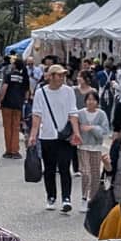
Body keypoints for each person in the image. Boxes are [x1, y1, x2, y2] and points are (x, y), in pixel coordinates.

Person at [30, 61, 82, 214]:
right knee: (50, 168)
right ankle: (51, 196)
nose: (62, 78)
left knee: (65, 167)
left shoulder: (68, 91)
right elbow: (37, 115)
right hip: (47, 135)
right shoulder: (41, 92)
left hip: (64, 135)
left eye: (63, 75)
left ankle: (66, 198)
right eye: (59, 75)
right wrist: (33, 135)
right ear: (51, 77)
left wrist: (76, 132)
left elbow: (73, 113)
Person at [75, 90, 111, 205]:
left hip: (96, 147)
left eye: (93, 100)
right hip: (83, 146)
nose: (91, 102)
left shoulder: (101, 114)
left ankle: (93, 198)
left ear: (97, 102)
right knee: (86, 172)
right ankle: (84, 197)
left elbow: (105, 131)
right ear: (85, 101)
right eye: (88, 100)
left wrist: (92, 128)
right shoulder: (80, 113)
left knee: (95, 173)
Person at [0, 55, 30, 157]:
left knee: (7, 127)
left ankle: (8, 150)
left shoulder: (9, 75)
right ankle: (15, 150)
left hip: (7, 104)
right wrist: (23, 101)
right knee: (16, 127)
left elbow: (4, 89)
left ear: (14, 66)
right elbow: (27, 93)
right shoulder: (24, 77)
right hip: (18, 105)